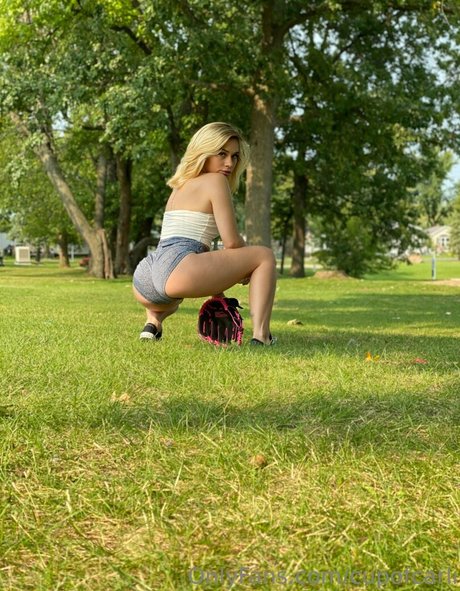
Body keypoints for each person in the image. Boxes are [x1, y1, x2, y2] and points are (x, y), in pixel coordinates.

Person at [132, 122, 277, 345]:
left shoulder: (181, 185)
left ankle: (153, 323)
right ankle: (262, 337)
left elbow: (205, 256)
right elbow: (231, 242)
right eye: (222, 154)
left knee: (172, 290)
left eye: (235, 156)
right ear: (203, 151)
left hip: (145, 278)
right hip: (178, 270)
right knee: (264, 256)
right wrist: (248, 267)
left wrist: (218, 293)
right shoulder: (216, 181)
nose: (229, 163)